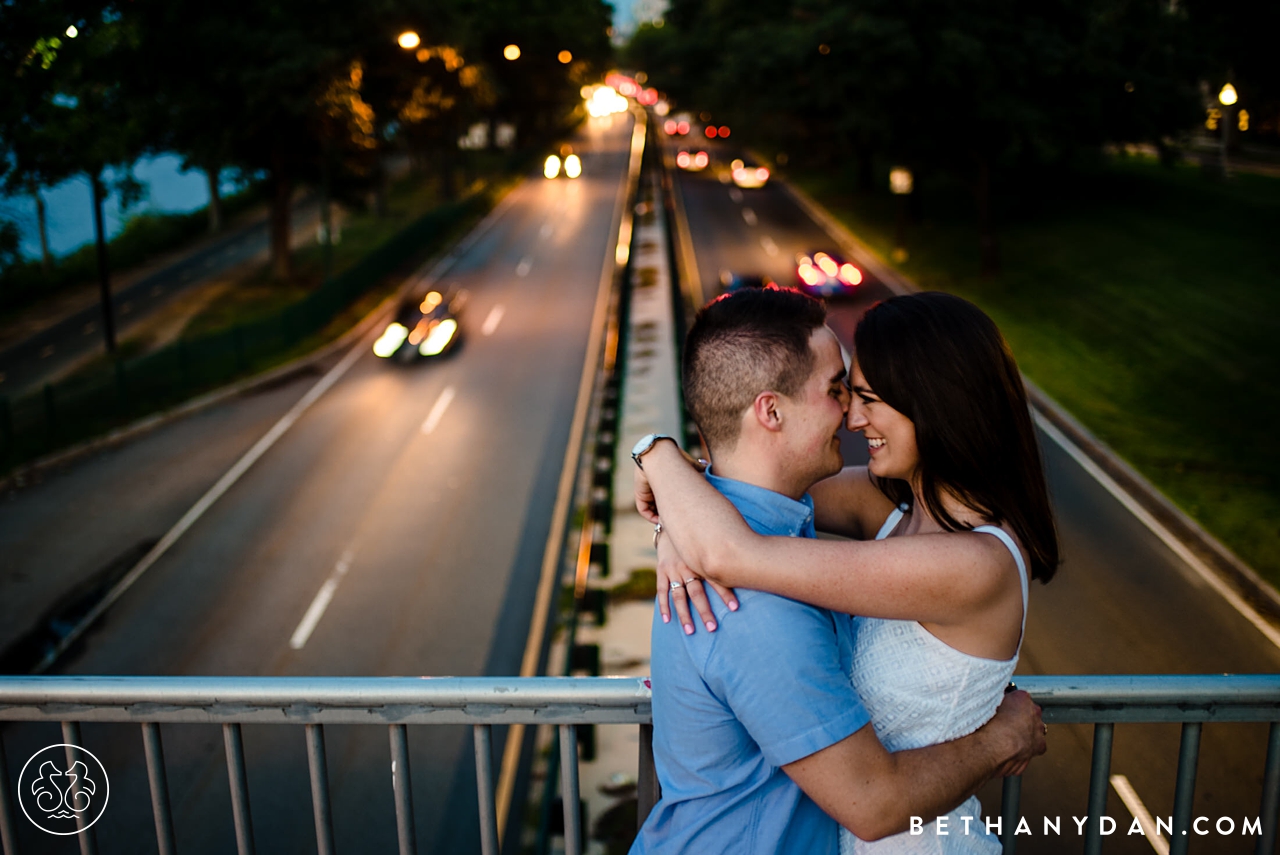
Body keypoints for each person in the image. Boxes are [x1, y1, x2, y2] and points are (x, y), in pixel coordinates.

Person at [634, 289, 1058, 853]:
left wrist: (659, 461)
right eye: (841, 392)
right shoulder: (885, 506)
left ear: (934, 403)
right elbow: (744, 492)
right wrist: (666, 497)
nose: (854, 419)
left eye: (867, 398)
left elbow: (732, 549)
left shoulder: (973, 563)